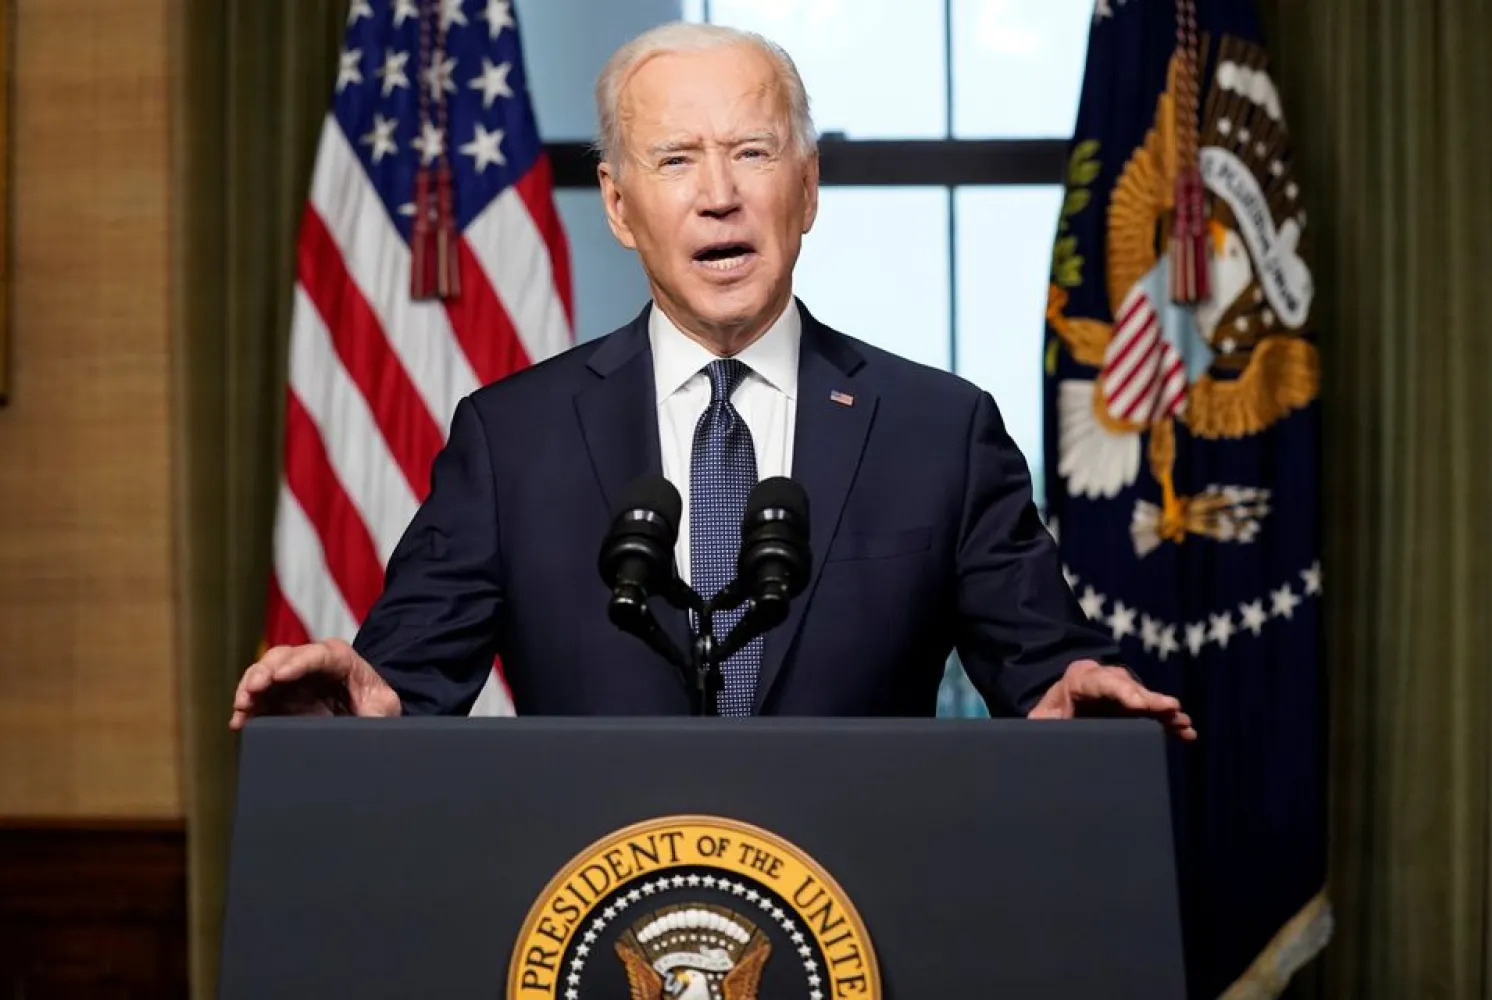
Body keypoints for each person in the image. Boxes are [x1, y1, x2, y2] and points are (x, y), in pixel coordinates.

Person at [231, 22, 1194, 739]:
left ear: (807, 188)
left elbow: (1047, 668)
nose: (719, 193)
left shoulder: (938, 429)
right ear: (618, 203)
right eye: (676, 159)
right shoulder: (511, 438)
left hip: (859, 915)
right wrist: (363, 699)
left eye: (751, 152)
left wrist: (1073, 689)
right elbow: (403, 680)